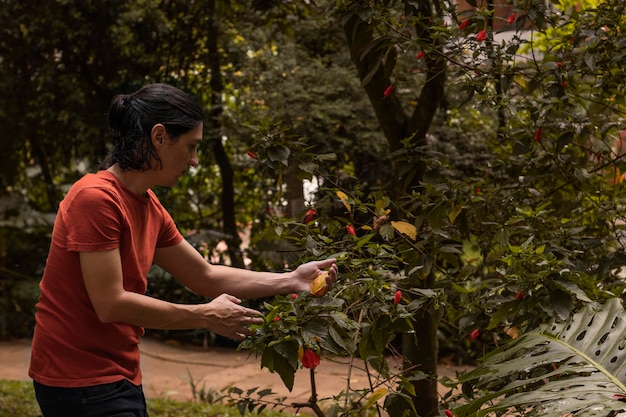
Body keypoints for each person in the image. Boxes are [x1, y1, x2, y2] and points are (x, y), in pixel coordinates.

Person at [28, 83, 338, 417]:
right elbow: (110, 303)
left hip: (118, 371)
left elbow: (203, 275)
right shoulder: (96, 199)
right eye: (191, 147)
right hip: (76, 378)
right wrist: (204, 315)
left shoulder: (149, 205)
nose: (193, 161)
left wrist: (291, 280)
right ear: (159, 137)